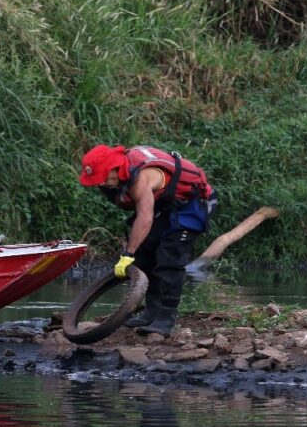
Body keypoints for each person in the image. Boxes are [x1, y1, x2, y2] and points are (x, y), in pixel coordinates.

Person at [78, 144, 218, 337]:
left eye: (102, 178)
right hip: (166, 205)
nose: (100, 184)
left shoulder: (141, 178)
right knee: (145, 253)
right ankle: (151, 311)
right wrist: (135, 253)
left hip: (191, 204)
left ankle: (166, 319)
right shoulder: (121, 174)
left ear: (115, 168)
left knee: (170, 258)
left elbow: (144, 218)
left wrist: (127, 254)